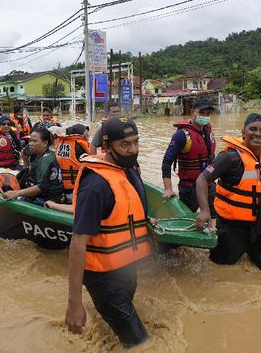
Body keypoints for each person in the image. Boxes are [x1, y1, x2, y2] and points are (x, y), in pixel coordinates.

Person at [65, 116, 152, 348]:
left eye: (135, 142)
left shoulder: (127, 170)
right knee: (140, 343)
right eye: (125, 144)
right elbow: (77, 243)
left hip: (126, 266)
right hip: (102, 276)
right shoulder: (96, 186)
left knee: (121, 327)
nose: (132, 149)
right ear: (106, 147)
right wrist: (74, 302)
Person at [195, 113, 261, 272]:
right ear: (243, 132)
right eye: (253, 129)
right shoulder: (229, 157)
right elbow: (202, 180)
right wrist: (205, 211)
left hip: (260, 227)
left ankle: (250, 249)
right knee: (220, 268)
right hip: (231, 228)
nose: (257, 134)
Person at [161, 97, 216, 213]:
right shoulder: (182, 135)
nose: (205, 116)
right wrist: (168, 189)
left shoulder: (207, 130)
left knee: (215, 217)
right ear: (193, 112)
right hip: (190, 187)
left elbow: (212, 158)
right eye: (201, 112)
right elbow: (166, 162)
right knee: (187, 217)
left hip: (209, 184)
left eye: (208, 113)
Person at [2, 128, 67, 208]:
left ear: (45, 143)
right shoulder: (40, 155)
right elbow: (28, 174)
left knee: (15, 197)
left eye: (34, 141)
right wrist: (25, 159)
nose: (30, 144)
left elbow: (41, 187)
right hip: (47, 195)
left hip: (49, 199)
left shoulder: (45, 159)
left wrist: (18, 193)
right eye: (30, 141)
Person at [54, 124, 90, 200]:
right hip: (74, 189)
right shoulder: (78, 147)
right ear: (79, 135)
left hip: (60, 185)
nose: (87, 138)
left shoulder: (61, 143)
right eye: (86, 136)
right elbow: (90, 163)